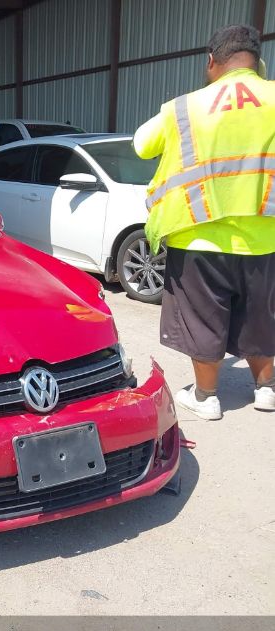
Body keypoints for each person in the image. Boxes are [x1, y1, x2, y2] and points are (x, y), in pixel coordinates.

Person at [133, 24, 275, 420]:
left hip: (199, 236)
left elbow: (141, 145)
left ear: (211, 62)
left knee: (202, 317)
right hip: (266, 237)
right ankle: (266, 389)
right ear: (258, 64)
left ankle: (206, 396)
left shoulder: (183, 108)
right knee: (261, 315)